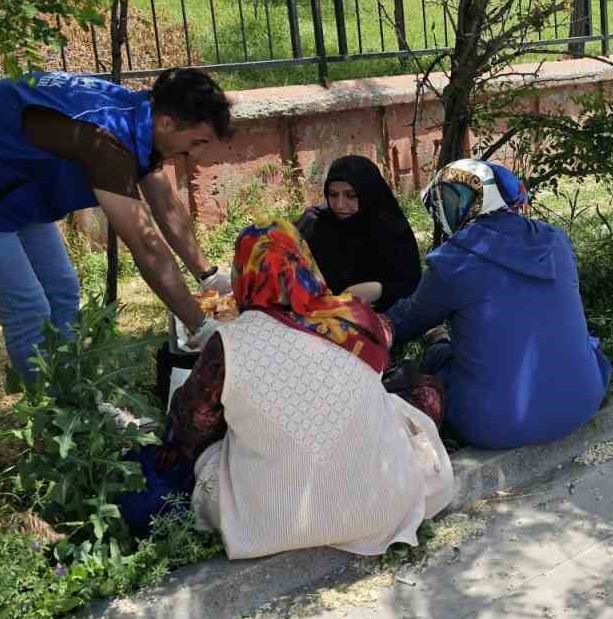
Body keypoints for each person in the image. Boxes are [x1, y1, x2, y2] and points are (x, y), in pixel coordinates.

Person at [147, 221, 453, 559]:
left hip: (267, 523)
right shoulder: (354, 319)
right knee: (401, 406)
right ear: (304, 262)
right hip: (380, 507)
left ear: (242, 273)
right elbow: (385, 342)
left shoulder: (228, 343)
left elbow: (192, 424)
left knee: (215, 452)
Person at [0, 69, 234, 381]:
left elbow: (165, 205)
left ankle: (74, 391)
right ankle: (56, 414)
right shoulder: (104, 141)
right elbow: (148, 248)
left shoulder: (142, 118)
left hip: (12, 184)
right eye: (197, 141)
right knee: (28, 309)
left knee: (63, 291)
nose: (197, 153)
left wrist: (209, 277)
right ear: (167, 122)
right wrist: (202, 329)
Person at [386, 159, 611, 450]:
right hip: (583, 400)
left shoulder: (454, 262)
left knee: (436, 357)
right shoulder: (556, 241)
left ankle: (440, 342)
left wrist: (369, 320)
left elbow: (409, 320)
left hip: (494, 426)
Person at [295, 154, 422, 311]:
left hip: (376, 317)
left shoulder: (390, 229)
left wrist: (378, 290)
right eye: (333, 195)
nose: (340, 205)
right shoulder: (314, 223)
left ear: (368, 193)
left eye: (351, 195)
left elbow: (412, 286)